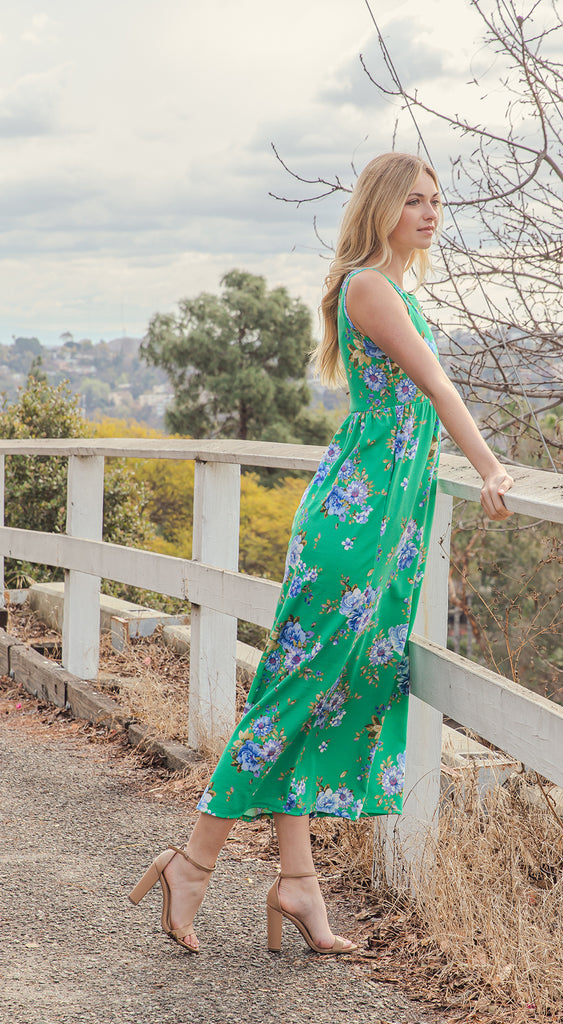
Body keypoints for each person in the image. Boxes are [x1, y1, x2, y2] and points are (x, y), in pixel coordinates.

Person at [128, 152, 514, 956]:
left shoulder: (394, 290)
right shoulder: (369, 286)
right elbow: (437, 388)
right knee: (293, 690)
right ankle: (192, 863)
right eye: (412, 200)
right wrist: (488, 465)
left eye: (435, 201)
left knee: (333, 691)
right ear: (379, 208)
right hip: (355, 522)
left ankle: (298, 882)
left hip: (388, 523)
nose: (429, 213)